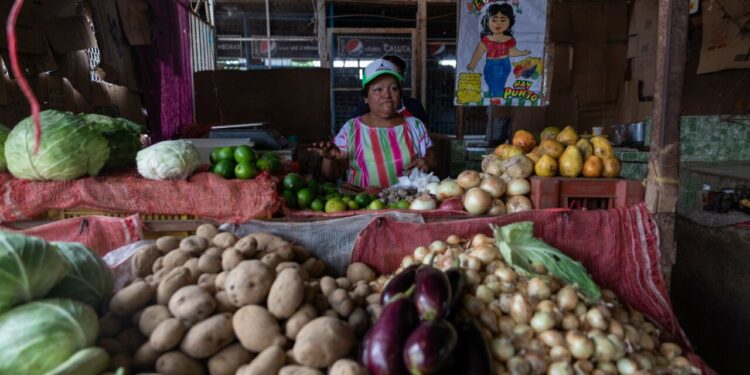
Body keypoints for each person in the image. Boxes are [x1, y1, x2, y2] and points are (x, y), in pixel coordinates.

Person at [309, 58, 436, 188]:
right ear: (365, 97)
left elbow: (432, 155)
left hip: (407, 204)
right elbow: (331, 175)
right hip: (363, 204)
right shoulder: (351, 129)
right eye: (378, 90)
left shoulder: (415, 125)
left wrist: (428, 161)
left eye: (393, 88)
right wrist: (329, 159)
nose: (387, 94)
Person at [466, 3, 530, 98]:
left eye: (503, 20)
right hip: (490, 64)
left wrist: (523, 52)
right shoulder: (486, 39)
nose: (498, 23)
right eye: (494, 20)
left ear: (510, 22)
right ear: (487, 21)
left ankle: (496, 97)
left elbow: (512, 52)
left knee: (499, 83)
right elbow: (478, 53)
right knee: (490, 81)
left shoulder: (508, 39)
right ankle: (495, 97)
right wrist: (472, 63)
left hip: (503, 64)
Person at [350, 55, 429, 124]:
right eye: (378, 89)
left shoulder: (414, 108)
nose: (387, 95)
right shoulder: (361, 113)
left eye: (397, 75)